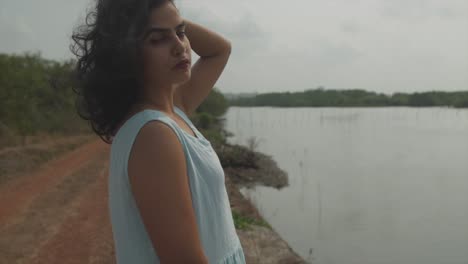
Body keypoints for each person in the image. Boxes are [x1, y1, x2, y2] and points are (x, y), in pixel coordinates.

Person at [70, 0, 246, 263]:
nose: (179, 46)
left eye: (181, 33)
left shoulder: (174, 110)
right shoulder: (154, 133)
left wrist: (162, 16)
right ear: (126, 53)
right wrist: (141, 18)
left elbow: (220, 50)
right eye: (158, 40)